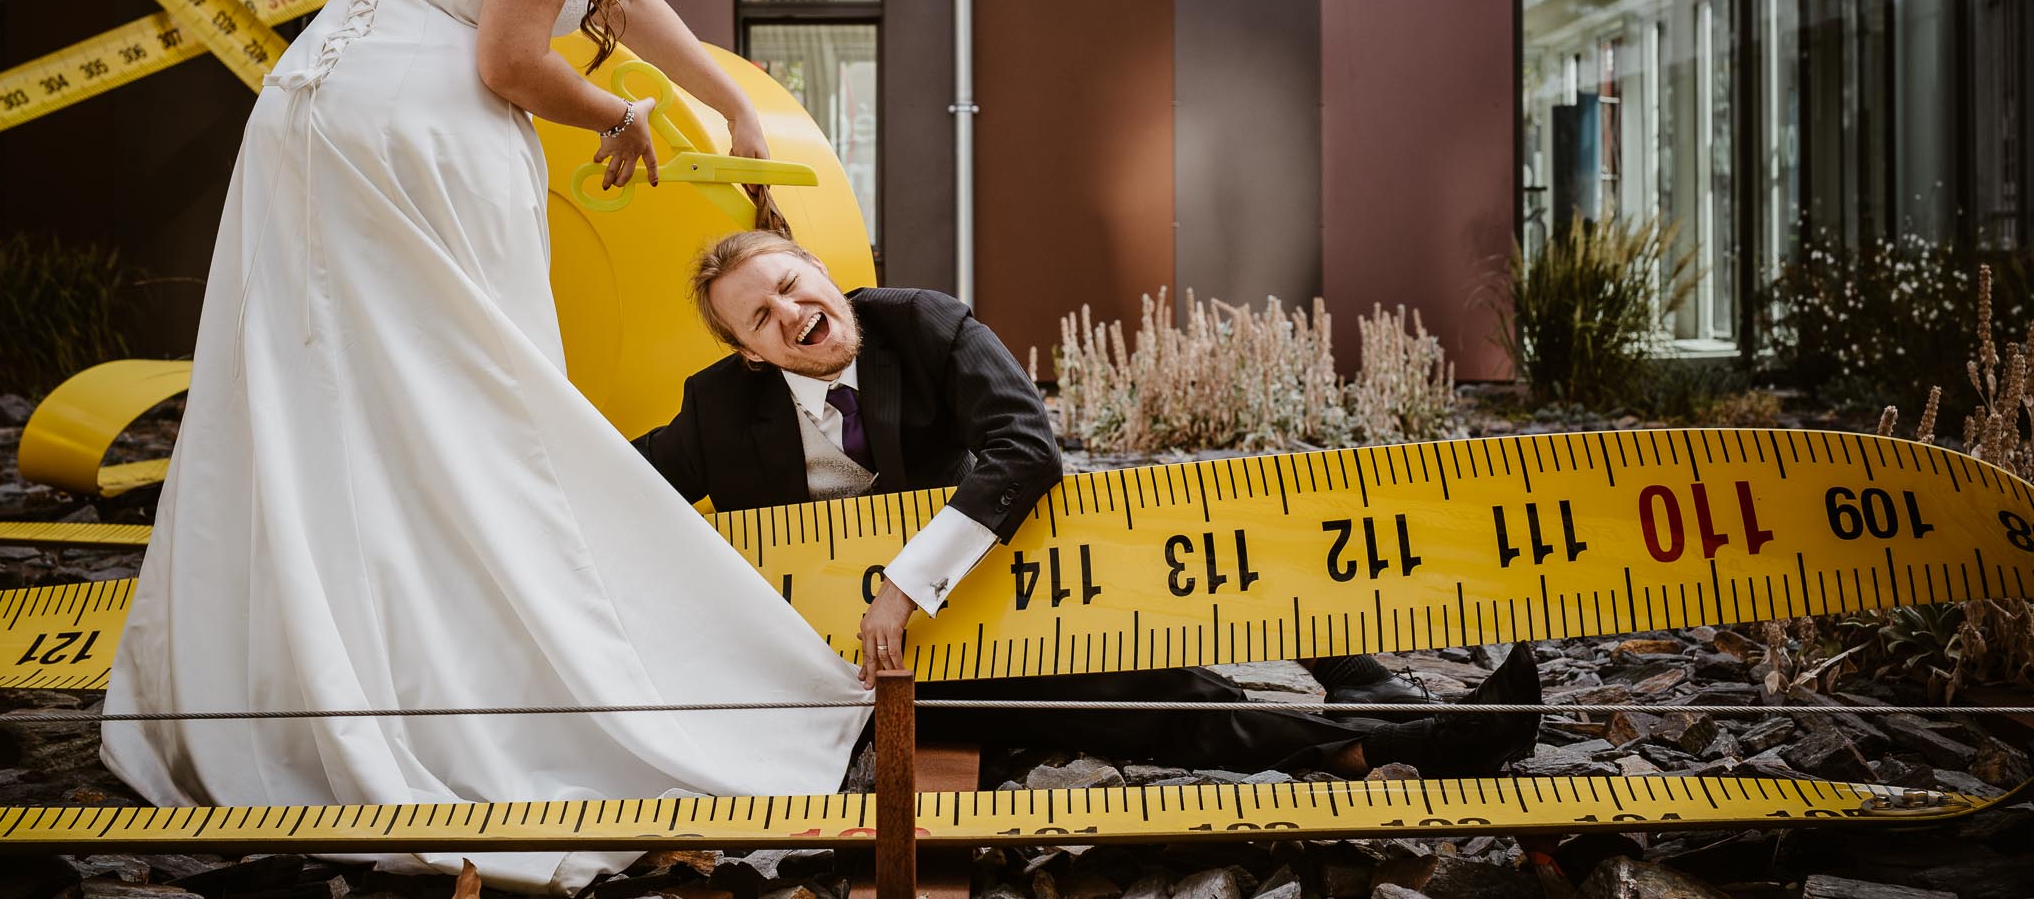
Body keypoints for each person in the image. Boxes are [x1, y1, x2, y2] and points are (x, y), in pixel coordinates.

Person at [100, 0, 871, 897]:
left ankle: (332, 658)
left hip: (317, 128)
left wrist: (717, 91)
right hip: (415, 149)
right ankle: (488, 676)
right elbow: (513, 59)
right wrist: (624, 113)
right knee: (479, 414)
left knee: (332, 406)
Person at [632, 230, 1543, 778]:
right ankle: (1391, 743)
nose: (790, 312)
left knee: (1165, 522)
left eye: (792, 285)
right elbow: (613, 486)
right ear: (751, 354)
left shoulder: (924, 321)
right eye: (760, 317)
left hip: (990, 585)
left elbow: (1029, 447)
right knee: (1148, 693)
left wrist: (906, 582)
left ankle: (1355, 674)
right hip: (888, 684)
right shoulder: (718, 409)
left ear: (822, 270)